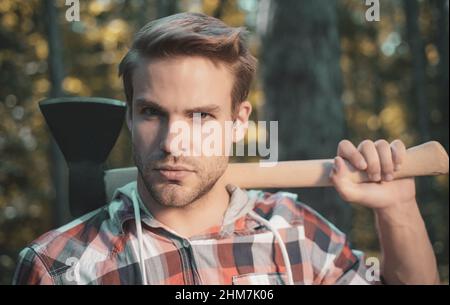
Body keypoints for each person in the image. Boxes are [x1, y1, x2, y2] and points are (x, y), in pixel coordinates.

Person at [13, 12, 439, 285]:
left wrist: (397, 209)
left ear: (238, 122)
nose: (172, 143)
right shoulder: (57, 267)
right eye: (151, 113)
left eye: (201, 117)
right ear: (129, 115)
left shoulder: (295, 234)